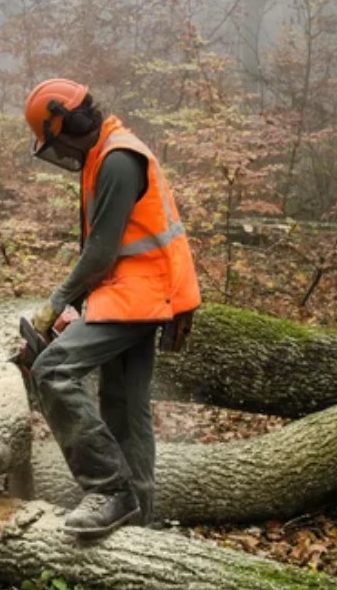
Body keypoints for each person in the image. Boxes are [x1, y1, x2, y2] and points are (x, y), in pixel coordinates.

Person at [23, 78, 201, 537]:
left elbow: (100, 255)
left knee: (53, 370)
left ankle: (108, 488)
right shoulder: (104, 153)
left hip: (140, 292)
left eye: (54, 139)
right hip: (132, 289)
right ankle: (140, 519)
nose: (57, 150)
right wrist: (74, 304)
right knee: (124, 406)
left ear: (66, 123)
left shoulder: (119, 160)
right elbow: (106, 250)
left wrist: (56, 304)